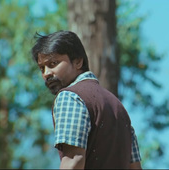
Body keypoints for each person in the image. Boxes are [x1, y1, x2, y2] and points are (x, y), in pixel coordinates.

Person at [31, 30, 142, 169]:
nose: (46, 73)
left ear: (78, 62)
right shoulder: (118, 107)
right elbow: (135, 167)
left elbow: (74, 161)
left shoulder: (70, 97)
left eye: (53, 63)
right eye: (42, 68)